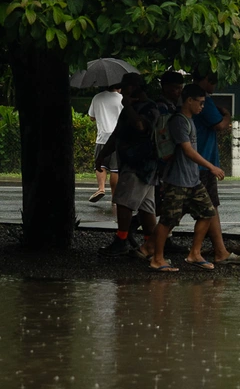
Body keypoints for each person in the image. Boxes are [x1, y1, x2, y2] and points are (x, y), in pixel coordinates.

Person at [149, 86, 225, 272]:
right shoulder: (179, 122)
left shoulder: (190, 120)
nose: (202, 106)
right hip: (177, 180)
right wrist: (211, 167)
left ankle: (194, 254)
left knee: (208, 212)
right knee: (168, 220)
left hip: (192, 179)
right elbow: (187, 150)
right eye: (199, 102)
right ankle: (157, 258)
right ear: (189, 100)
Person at [190, 71, 240, 266]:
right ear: (204, 79)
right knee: (209, 207)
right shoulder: (204, 102)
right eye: (213, 80)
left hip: (199, 162)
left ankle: (145, 245)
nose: (215, 85)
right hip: (203, 161)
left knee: (174, 208)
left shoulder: (195, 101)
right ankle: (217, 251)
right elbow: (220, 125)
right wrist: (227, 114)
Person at [96, 74, 159, 257]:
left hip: (140, 164)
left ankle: (121, 240)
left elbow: (140, 126)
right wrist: (102, 155)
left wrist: (128, 106)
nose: (123, 90)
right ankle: (150, 244)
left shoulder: (150, 108)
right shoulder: (127, 109)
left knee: (123, 203)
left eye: (127, 86)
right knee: (147, 207)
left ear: (136, 87)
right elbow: (117, 134)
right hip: (130, 163)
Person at [87, 81, 123, 203]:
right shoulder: (122, 99)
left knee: (100, 165)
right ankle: (114, 197)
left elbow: (91, 116)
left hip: (102, 136)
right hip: (117, 137)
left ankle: (101, 188)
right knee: (115, 169)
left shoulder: (97, 97)